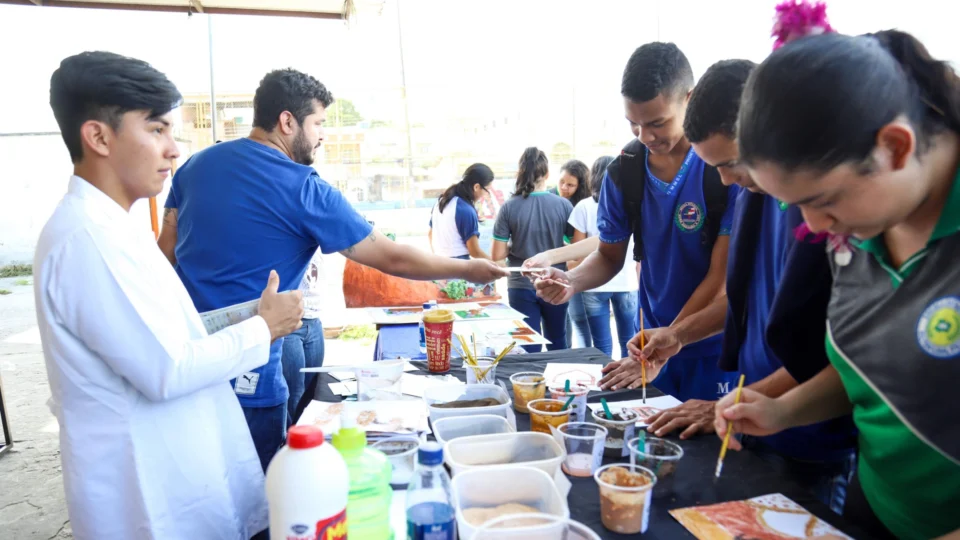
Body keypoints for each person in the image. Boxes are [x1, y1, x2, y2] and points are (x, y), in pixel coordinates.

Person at [158, 68, 507, 471]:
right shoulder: (303, 187)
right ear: (287, 121)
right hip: (250, 372)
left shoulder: (195, 166)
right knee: (260, 488)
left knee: (200, 477)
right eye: (318, 123)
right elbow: (392, 257)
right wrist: (468, 269)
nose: (322, 135)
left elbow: (165, 254)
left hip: (190, 360)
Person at [36, 51, 304, 539]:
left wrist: (251, 315)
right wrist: (262, 329)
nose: (173, 150)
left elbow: (166, 334)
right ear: (98, 137)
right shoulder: (87, 239)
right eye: (157, 129)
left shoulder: (116, 227)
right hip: (147, 496)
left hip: (178, 468)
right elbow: (168, 368)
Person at [714, 31, 960, 539]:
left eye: (823, 200)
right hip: (877, 507)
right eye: (795, 205)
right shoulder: (853, 228)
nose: (814, 227)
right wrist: (782, 409)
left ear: (895, 147)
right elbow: (870, 369)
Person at [601, 59, 857, 513]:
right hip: (754, 419)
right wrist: (677, 336)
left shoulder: (824, 212)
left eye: (732, 164)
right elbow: (744, 300)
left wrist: (744, 402)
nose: (725, 180)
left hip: (810, 440)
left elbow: (840, 355)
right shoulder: (756, 195)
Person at [536, 43, 739, 401]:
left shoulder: (722, 170)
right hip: (648, 345)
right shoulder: (624, 173)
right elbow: (609, 255)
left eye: (658, 123)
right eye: (634, 124)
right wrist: (571, 280)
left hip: (713, 347)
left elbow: (720, 279)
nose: (645, 136)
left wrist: (671, 339)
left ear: (689, 99)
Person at [492, 147, 573, 352]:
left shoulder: (509, 207)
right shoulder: (564, 205)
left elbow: (497, 255)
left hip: (520, 283)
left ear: (520, 173)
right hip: (555, 281)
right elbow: (577, 249)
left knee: (528, 345)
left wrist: (516, 244)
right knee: (558, 341)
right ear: (547, 174)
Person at [563, 156, 639, 358]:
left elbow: (578, 251)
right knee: (629, 343)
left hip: (594, 283)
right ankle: (627, 377)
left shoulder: (584, 206)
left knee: (601, 347)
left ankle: (604, 377)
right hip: (627, 281)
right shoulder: (632, 205)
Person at [281, 249, 325, 424]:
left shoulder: (317, 240)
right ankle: (296, 436)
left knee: (314, 388)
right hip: (290, 323)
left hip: (314, 320)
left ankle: (310, 432)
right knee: (295, 393)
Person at [554, 159, 594, 348]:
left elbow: (582, 248)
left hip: (583, 269)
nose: (564, 188)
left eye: (570, 185)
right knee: (566, 319)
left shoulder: (584, 205)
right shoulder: (552, 199)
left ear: (581, 186)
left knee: (581, 321)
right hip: (564, 268)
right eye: (561, 182)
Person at [428, 163, 494, 260]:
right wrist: (495, 264)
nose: (485, 194)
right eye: (487, 190)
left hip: (438, 262)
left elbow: (430, 234)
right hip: (459, 264)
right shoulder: (466, 210)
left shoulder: (441, 201)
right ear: (476, 187)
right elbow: (474, 252)